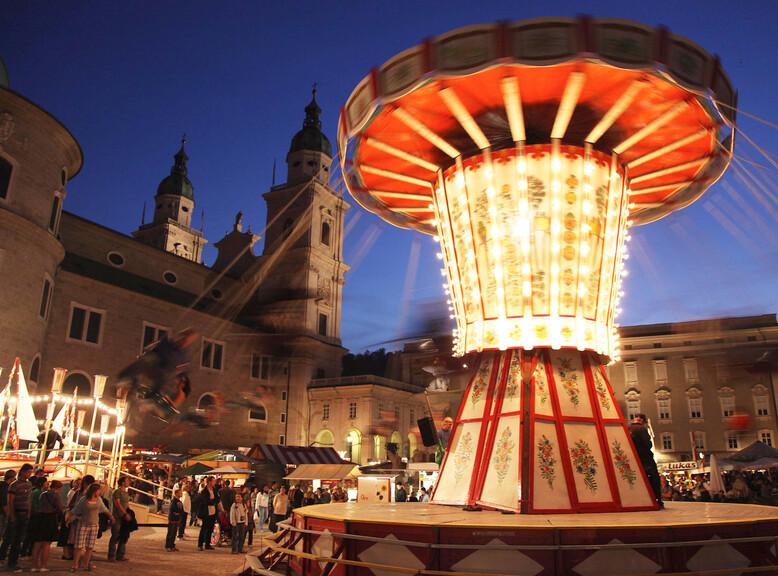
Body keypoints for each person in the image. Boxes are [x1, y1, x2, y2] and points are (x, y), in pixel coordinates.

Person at [69, 482, 111, 572]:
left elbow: (104, 509)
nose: (100, 492)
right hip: (83, 523)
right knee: (79, 546)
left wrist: (111, 516)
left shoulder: (98, 499)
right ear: (94, 491)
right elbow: (76, 509)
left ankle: (86, 565)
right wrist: (69, 518)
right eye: (98, 490)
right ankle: (75, 565)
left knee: (90, 546)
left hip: (94, 524)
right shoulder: (84, 499)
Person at [0, 463, 34, 570]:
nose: (29, 474)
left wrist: (28, 512)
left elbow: (28, 499)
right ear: (23, 472)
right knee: (9, 537)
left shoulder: (28, 485)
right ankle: (2, 559)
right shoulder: (14, 485)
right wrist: (12, 514)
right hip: (16, 512)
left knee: (18, 538)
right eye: (28, 472)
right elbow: (10, 500)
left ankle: (13, 561)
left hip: (23, 512)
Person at [629, 413, 663, 509]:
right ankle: (657, 500)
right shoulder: (642, 429)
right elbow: (648, 444)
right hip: (645, 458)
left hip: (633, 458)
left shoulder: (627, 428)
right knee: (654, 478)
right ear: (642, 421)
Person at [31, 479, 64, 572]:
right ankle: (43, 566)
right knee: (46, 543)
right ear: (58, 488)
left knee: (37, 542)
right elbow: (59, 507)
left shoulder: (43, 494)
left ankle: (34, 566)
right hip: (50, 518)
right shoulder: (56, 495)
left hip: (40, 517)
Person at [108, 476, 131, 562]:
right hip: (118, 516)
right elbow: (117, 504)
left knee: (124, 536)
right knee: (115, 535)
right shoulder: (117, 492)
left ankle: (120, 555)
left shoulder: (126, 492)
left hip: (124, 517)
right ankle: (111, 555)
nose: (128, 482)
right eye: (127, 481)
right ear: (122, 482)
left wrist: (129, 512)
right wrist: (124, 513)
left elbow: (127, 504)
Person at [197, 477, 219, 551]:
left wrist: (213, 501)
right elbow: (205, 500)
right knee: (204, 528)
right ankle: (200, 544)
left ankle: (207, 544)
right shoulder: (204, 491)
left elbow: (217, 499)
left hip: (213, 511)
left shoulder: (214, 490)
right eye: (213, 481)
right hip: (206, 512)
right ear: (209, 482)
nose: (214, 483)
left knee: (210, 528)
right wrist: (212, 501)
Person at [0, 469, 16, 545]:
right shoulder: (6, 488)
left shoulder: (2, 486)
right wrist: (8, 513)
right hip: (2, 513)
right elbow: (3, 502)